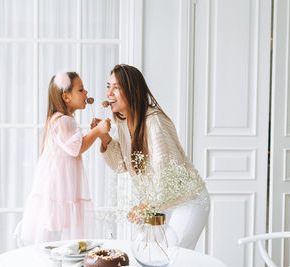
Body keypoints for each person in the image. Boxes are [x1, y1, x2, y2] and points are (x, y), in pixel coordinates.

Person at [91, 64, 209, 249]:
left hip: (187, 200)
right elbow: (122, 165)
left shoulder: (154, 122)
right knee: (145, 252)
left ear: (131, 91)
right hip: (160, 203)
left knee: (172, 254)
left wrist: (145, 206)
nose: (109, 94)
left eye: (116, 88)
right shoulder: (123, 121)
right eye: (108, 87)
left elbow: (168, 174)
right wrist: (104, 137)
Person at [20, 72, 111, 245]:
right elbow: (77, 148)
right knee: (61, 238)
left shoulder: (60, 120)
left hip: (59, 187)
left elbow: (76, 146)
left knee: (59, 238)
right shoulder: (63, 121)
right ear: (66, 97)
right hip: (60, 190)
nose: (86, 93)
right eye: (81, 90)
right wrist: (97, 131)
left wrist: (94, 131)